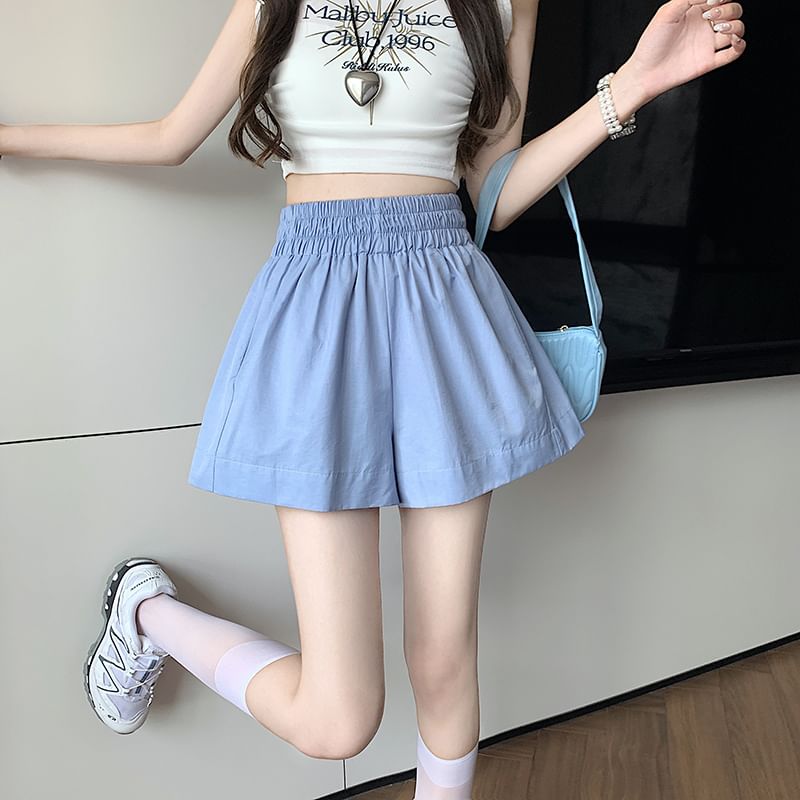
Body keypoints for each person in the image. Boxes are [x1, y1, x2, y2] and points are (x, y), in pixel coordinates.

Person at [0, 0, 746, 796]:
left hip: (442, 306)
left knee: (444, 660)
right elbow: (169, 137)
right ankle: (146, 615)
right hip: (317, 310)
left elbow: (494, 191)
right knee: (339, 721)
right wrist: (11, 137)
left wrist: (632, 86)